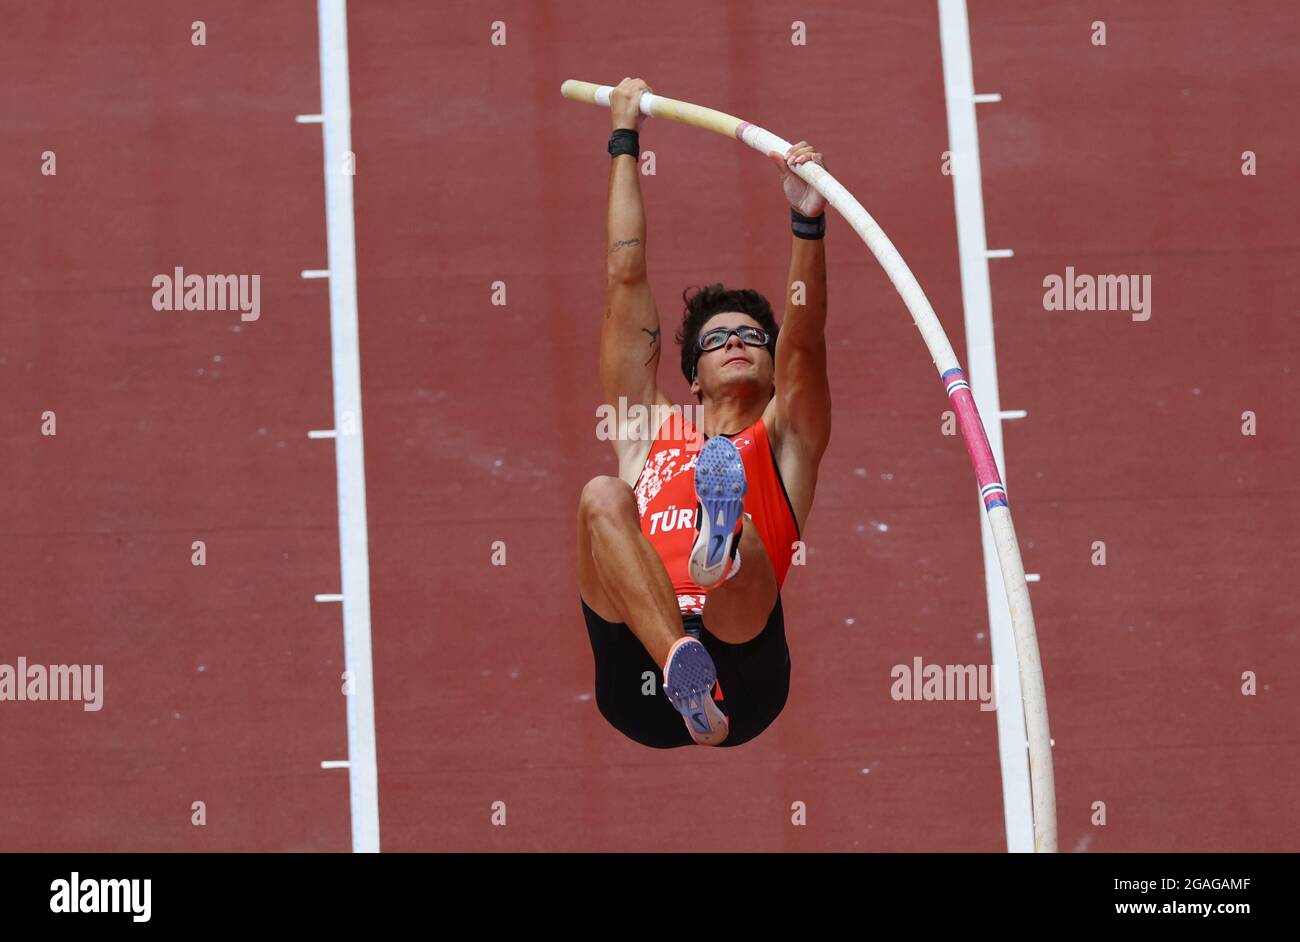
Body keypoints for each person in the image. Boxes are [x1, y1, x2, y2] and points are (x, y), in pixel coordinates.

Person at [577, 77, 831, 747]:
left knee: (743, 535)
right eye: (718, 339)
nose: (739, 342)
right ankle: (678, 666)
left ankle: (717, 553)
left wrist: (807, 219)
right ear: (692, 376)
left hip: (743, 673)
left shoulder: (787, 439)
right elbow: (623, 277)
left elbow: (805, 344)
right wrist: (625, 139)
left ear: (771, 367)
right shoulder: (651, 429)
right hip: (642, 673)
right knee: (603, 496)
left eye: (752, 336)